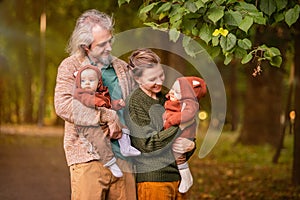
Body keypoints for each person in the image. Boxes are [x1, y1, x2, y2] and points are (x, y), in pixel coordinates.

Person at [54, 9, 138, 200]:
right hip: (88, 160)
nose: (109, 47)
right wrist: (107, 115)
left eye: (110, 40)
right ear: (86, 47)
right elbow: (64, 105)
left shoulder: (121, 67)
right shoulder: (70, 66)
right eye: (102, 44)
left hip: (124, 161)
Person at [124, 48, 196, 200]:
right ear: (138, 79)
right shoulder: (135, 103)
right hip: (153, 180)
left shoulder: (167, 98)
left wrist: (191, 145)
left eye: (161, 75)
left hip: (179, 177)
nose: (159, 82)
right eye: (152, 79)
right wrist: (179, 127)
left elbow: (185, 132)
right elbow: (147, 145)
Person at [73, 65, 141, 178]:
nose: (87, 83)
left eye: (91, 80)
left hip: (105, 122)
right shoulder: (81, 94)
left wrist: (117, 104)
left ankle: (125, 147)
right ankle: (110, 162)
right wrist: (105, 108)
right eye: (83, 81)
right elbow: (92, 103)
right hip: (89, 126)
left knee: (123, 127)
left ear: (99, 82)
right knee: (99, 141)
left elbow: (107, 104)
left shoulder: (102, 93)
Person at [163, 76, 207, 193]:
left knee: (179, 156)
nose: (171, 92)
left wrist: (172, 120)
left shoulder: (190, 104)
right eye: (172, 89)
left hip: (184, 135)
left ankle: (186, 176)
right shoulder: (173, 101)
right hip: (176, 135)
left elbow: (188, 115)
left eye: (176, 92)